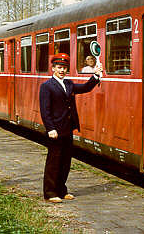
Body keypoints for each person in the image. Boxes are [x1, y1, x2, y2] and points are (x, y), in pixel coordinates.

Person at [39, 53, 103, 203]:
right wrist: (50, 129)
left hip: (68, 128)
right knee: (54, 162)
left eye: (64, 68)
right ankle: (50, 192)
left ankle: (62, 190)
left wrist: (96, 76)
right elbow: (45, 110)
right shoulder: (46, 86)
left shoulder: (68, 83)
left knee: (65, 161)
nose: (62, 70)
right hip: (55, 130)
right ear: (53, 68)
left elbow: (85, 88)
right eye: (59, 67)